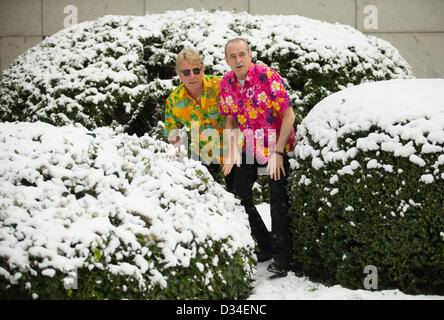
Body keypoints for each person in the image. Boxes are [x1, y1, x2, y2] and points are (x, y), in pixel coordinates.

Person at [218, 38, 301, 277]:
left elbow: (289, 115)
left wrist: (278, 153)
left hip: (278, 143)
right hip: (250, 144)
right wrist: (232, 152)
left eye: (242, 54)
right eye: (232, 56)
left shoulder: (267, 76)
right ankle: (264, 245)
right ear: (226, 60)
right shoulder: (226, 83)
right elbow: (231, 120)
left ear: (250, 55)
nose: (238, 60)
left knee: (277, 198)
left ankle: (282, 259)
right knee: (238, 194)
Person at [164, 47, 231, 186]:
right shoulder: (174, 101)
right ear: (179, 75)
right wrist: (180, 161)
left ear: (203, 69)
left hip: (232, 148)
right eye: (186, 72)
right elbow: (172, 132)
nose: (192, 76)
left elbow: (246, 83)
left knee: (239, 195)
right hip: (204, 152)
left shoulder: (221, 85)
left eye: (196, 70)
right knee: (200, 188)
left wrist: (260, 70)